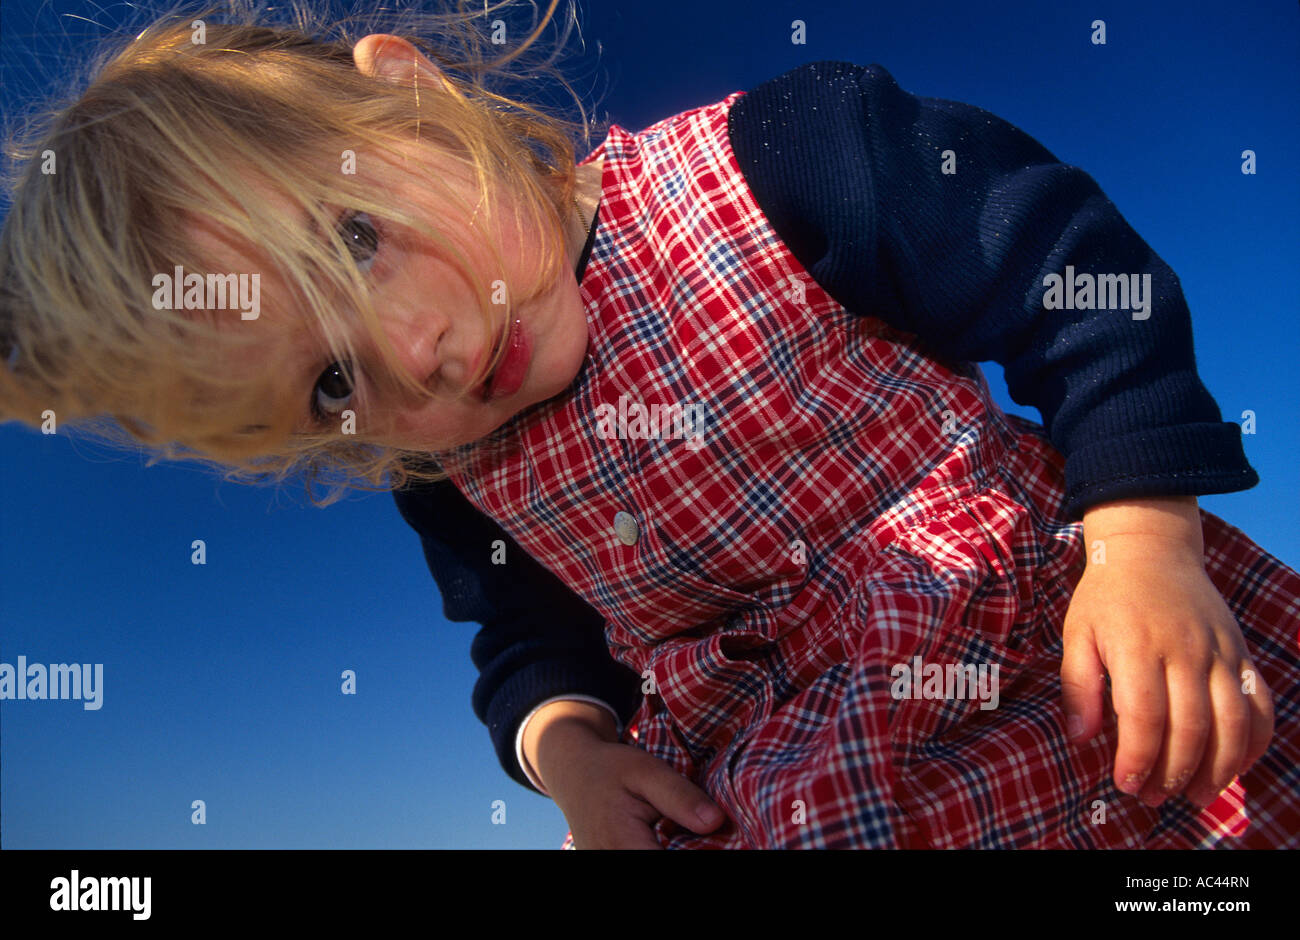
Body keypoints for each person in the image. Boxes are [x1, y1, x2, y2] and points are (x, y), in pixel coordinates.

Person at [2, 2, 1296, 848]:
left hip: (1044, 639)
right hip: (800, 775)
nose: (416, 354)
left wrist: (1142, 548)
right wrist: (571, 755)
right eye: (332, 386)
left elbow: (1067, 278)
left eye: (360, 239)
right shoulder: (448, 468)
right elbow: (528, 636)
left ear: (412, 100)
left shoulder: (777, 162)